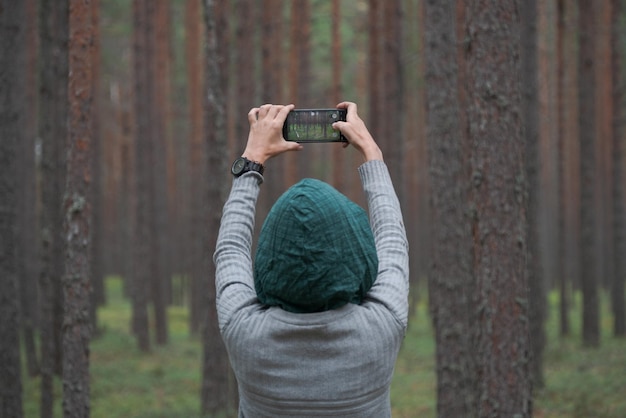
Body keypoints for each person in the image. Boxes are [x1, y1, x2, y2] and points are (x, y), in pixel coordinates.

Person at [214, 101, 409, 417]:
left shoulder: (244, 334)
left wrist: (252, 158)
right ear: (356, 253)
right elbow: (392, 238)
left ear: (269, 260)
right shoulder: (382, 328)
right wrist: (372, 153)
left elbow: (231, 248)